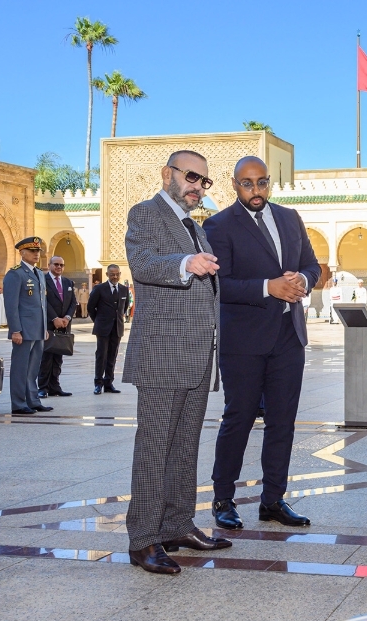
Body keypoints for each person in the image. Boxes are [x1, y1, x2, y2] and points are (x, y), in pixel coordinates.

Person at [122, 149, 231, 574]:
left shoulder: (196, 228)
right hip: (162, 354)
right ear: (168, 173)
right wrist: (186, 262)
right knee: (154, 449)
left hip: (196, 355)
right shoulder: (146, 214)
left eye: (204, 181)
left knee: (184, 447)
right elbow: (144, 262)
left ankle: (176, 525)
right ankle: (144, 539)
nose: (198, 187)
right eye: (191, 177)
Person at [204, 156, 321, 529]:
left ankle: (273, 499)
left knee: (283, 421)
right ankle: (223, 498)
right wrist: (268, 287)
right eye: (247, 184)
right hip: (244, 340)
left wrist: (302, 278)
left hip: (289, 337)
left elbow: (313, 265)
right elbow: (220, 285)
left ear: (269, 183)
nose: (256, 191)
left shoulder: (289, 217)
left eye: (261, 183)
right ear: (234, 185)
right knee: (238, 418)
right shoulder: (219, 225)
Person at [3, 237, 52, 415]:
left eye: (38, 251)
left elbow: (42, 304)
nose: (36, 254)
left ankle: (33, 400)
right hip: (23, 330)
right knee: (20, 368)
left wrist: (44, 327)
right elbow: (11, 304)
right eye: (32, 251)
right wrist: (15, 329)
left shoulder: (39, 273)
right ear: (22, 253)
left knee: (33, 368)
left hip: (38, 329)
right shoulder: (15, 274)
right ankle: (18, 403)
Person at [87, 264, 129, 395]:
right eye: (112, 274)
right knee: (101, 355)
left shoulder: (124, 289)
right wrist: (99, 321)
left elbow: (125, 306)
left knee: (112, 355)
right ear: (107, 275)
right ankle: (98, 383)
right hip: (103, 328)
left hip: (117, 328)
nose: (115, 276)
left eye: (117, 274)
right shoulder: (99, 288)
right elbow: (90, 307)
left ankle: (109, 382)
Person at [38, 255, 76, 398]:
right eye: (56, 264)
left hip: (64, 325)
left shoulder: (68, 282)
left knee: (58, 357)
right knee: (46, 357)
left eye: (61, 265)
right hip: (49, 324)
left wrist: (67, 317)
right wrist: (54, 318)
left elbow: (73, 302)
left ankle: (55, 386)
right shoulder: (43, 281)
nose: (59, 267)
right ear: (49, 265)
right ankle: (42, 387)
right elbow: (43, 302)